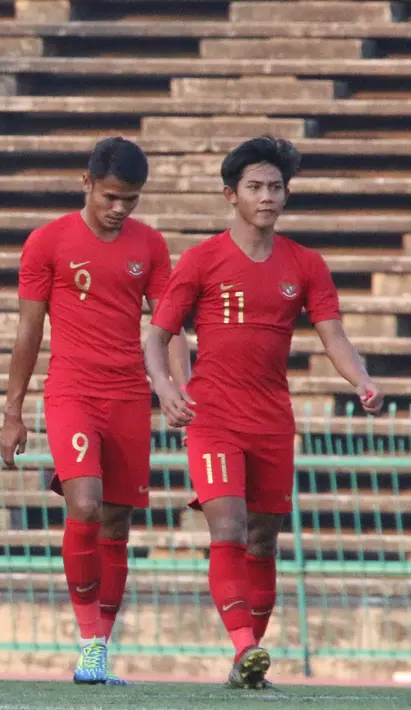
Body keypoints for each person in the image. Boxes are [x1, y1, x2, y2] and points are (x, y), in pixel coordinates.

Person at [145, 135, 383, 689]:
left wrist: (363, 379)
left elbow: (334, 336)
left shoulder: (305, 263)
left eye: (276, 187)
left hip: (273, 418)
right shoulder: (203, 259)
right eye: (255, 186)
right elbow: (158, 336)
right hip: (214, 416)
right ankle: (247, 645)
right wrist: (164, 387)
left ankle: (244, 668)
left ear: (286, 194)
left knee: (264, 540)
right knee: (226, 525)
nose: (267, 196)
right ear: (232, 195)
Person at [0, 137, 188, 685]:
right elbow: (29, 330)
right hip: (72, 392)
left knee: (118, 523)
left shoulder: (150, 246)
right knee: (84, 503)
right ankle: (87, 639)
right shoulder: (48, 242)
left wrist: (177, 385)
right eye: (110, 196)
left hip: (128, 395)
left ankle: (101, 645)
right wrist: (13, 411)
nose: (120, 208)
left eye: (130, 199)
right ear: (87, 183)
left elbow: (168, 323)